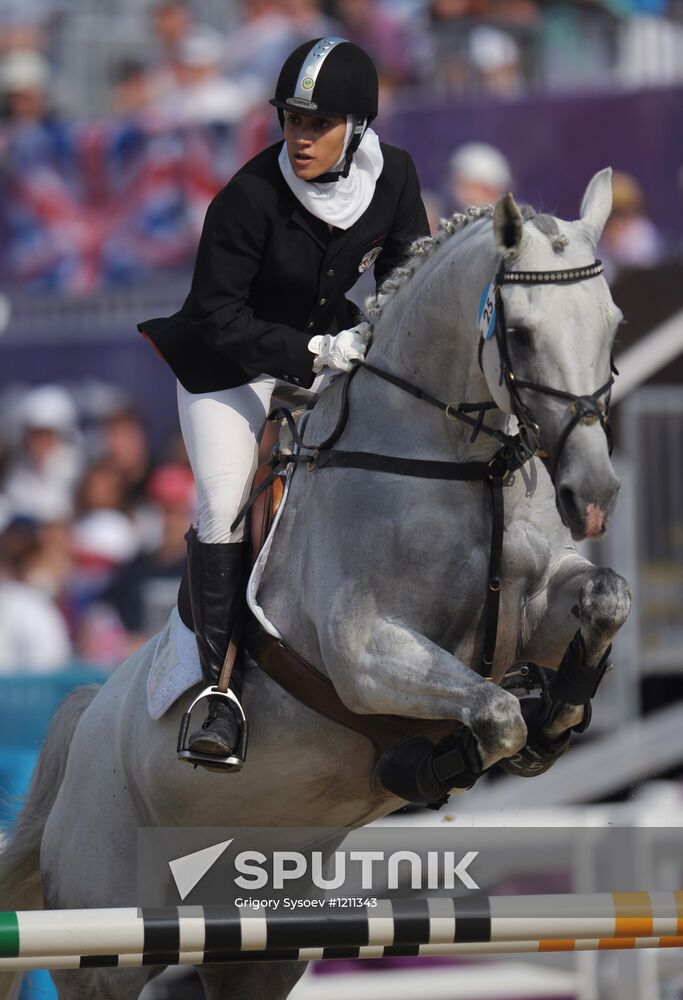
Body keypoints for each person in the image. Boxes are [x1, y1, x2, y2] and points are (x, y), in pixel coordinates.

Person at [139, 37, 429, 767]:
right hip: (227, 370)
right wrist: (312, 353)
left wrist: (376, 331)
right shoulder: (247, 196)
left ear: (357, 126)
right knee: (224, 503)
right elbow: (217, 317)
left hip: (326, 353)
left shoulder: (392, 177)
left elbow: (406, 272)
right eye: (291, 120)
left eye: (316, 123)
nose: (298, 137)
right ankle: (217, 694)